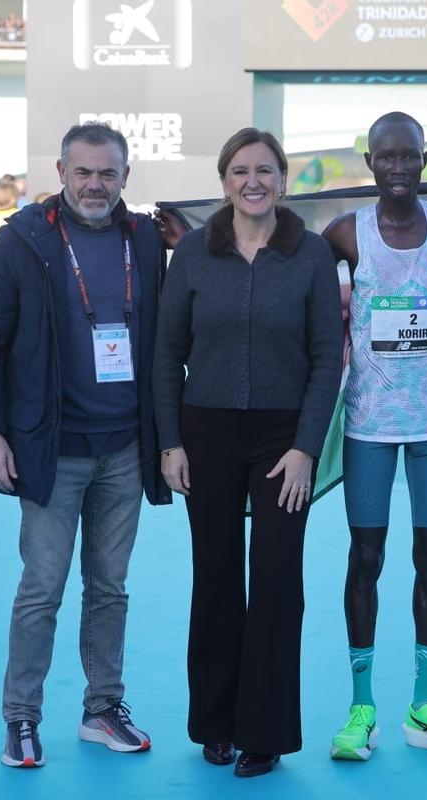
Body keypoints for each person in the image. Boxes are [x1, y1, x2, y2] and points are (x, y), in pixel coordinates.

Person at [0, 122, 171, 769]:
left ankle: (103, 709)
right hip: (50, 451)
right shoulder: (22, 241)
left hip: (126, 451)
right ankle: (21, 719)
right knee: (42, 589)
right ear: (61, 172)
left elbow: (167, 338)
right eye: (83, 172)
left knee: (110, 588)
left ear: (126, 178)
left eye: (107, 173)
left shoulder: (144, 239)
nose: (94, 184)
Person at [153, 127, 342, 778]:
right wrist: (170, 442)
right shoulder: (195, 257)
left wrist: (305, 449)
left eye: (265, 170)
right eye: (240, 171)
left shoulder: (312, 255)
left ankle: (264, 732)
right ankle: (215, 722)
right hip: (204, 432)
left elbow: (327, 360)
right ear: (224, 182)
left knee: (278, 581)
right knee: (215, 578)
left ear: (283, 181)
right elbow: (165, 352)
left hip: (282, 439)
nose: (253, 181)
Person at [320, 111, 427, 762]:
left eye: (408, 156)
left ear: (424, 160)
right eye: (385, 157)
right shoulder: (346, 233)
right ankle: (362, 706)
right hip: (368, 428)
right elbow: (286, 268)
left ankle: (424, 700)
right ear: (370, 162)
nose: (397, 167)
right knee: (366, 558)